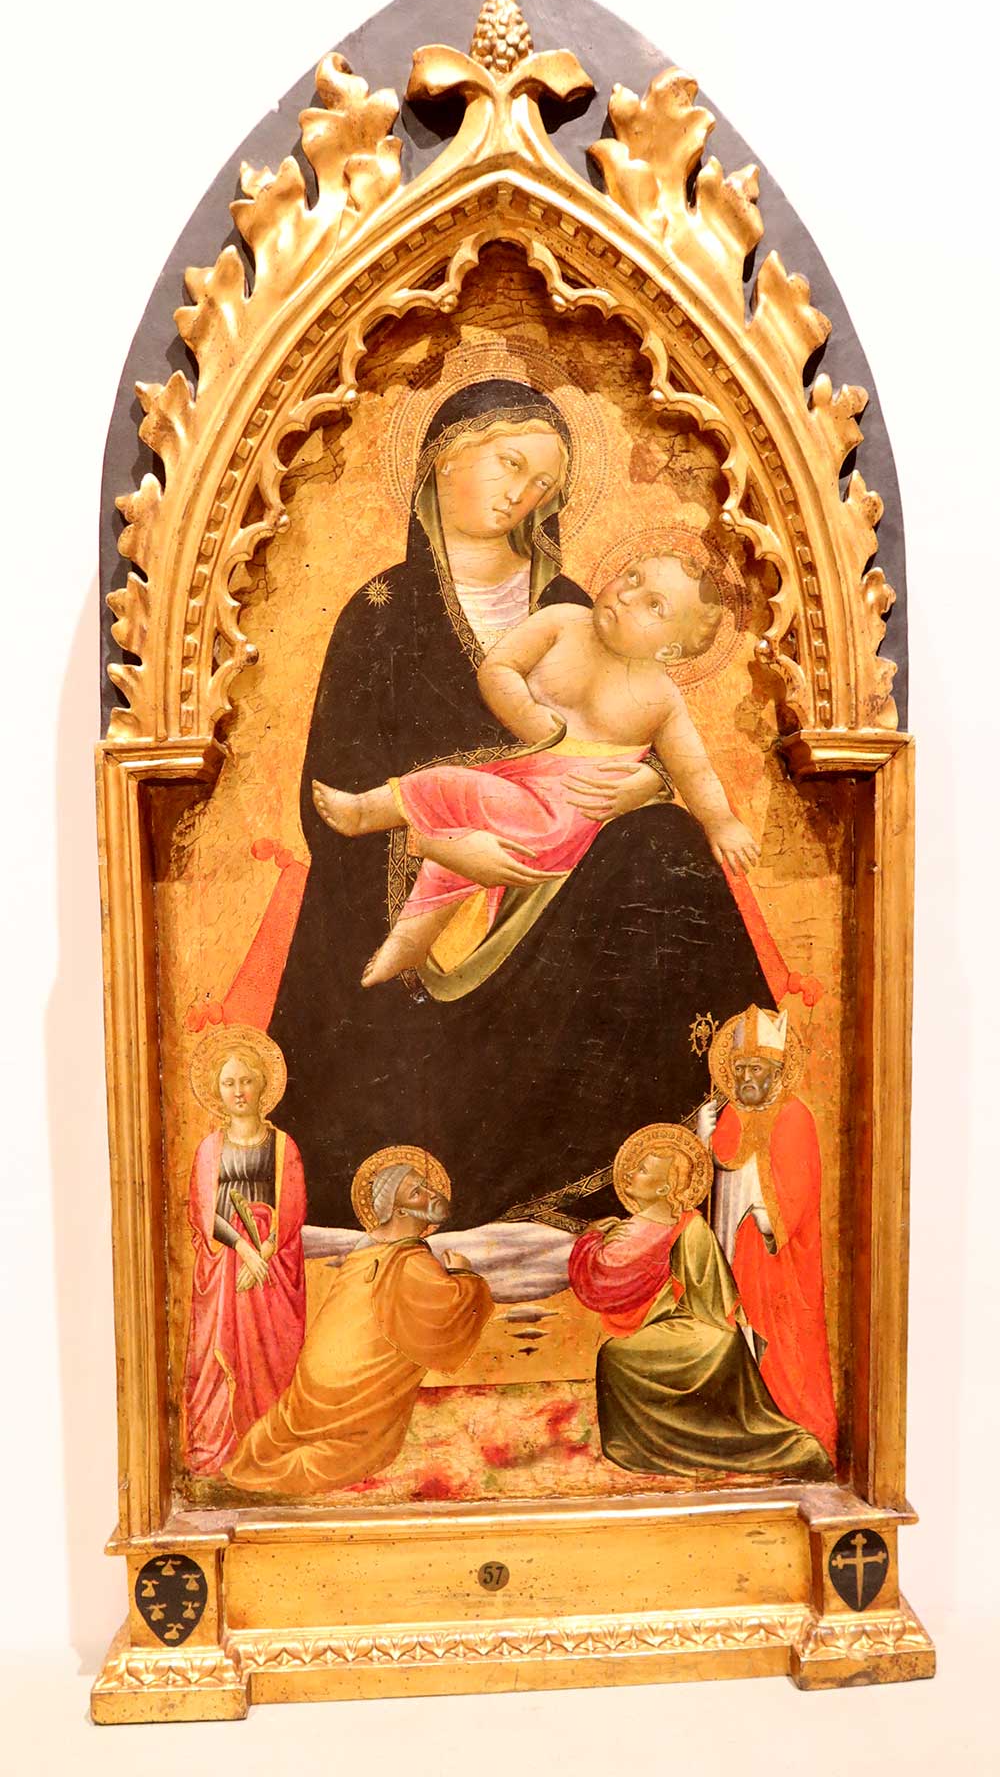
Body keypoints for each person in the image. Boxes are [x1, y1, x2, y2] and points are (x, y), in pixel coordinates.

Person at [267, 378, 775, 1229]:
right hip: (424, 884)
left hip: (559, 880)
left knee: (667, 845)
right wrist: (443, 847)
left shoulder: (571, 603)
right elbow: (332, 787)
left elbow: (642, 737)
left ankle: (698, 1128)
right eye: (510, 464)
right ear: (442, 456)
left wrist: (647, 786)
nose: (521, 495)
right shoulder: (381, 613)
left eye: (543, 484)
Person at [314, 552, 759, 984]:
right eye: (632, 577)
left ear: (672, 649)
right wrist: (526, 714)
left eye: (654, 605)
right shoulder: (563, 621)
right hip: (518, 777)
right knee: (458, 844)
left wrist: (720, 821)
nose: (626, 595)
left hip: (558, 817)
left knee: (450, 787)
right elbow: (499, 667)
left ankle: (366, 813)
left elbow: (693, 770)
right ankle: (411, 942)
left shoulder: (662, 700)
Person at [568, 1124, 831, 1478]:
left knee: (615, 1355)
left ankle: (658, 1444)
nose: (630, 1173)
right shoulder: (639, 1226)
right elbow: (610, 1283)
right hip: (678, 1327)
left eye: (642, 1170)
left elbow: (611, 1279)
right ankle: (651, 1442)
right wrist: (596, 1241)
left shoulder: (688, 1229)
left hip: (703, 1333)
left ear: (664, 1188)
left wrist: (589, 1241)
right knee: (615, 1354)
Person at [226, 1150, 493, 1496]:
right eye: (417, 1192)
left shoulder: (364, 1250)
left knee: (289, 1427)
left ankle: (265, 1450)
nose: (431, 1194)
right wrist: (463, 1274)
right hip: (351, 1388)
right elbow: (453, 1311)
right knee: (362, 1449)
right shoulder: (410, 1260)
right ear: (399, 1211)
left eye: (426, 1185)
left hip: (313, 1381)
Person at [701, 1006, 837, 1463]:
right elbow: (719, 1173)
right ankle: (743, 1421)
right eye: (740, 1069)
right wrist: (704, 1138)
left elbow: (798, 1194)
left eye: (755, 1069)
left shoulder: (795, 1116)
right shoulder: (730, 1115)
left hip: (776, 1257)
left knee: (780, 1344)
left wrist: (762, 1220)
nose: (746, 1079)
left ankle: (785, 1424)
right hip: (734, 1246)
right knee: (735, 1330)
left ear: (777, 1071)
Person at [182, 1025, 306, 1477]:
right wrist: (244, 1250)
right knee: (218, 1356)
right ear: (217, 1091)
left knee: (270, 1354)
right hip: (225, 1267)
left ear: (262, 1086)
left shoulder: (283, 1145)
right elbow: (203, 1209)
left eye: (246, 1080)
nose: (238, 1091)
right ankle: (220, 1449)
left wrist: (265, 1252)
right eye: (229, 1082)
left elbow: (292, 1206)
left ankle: (266, 1444)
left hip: (272, 1267)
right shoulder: (209, 1148)